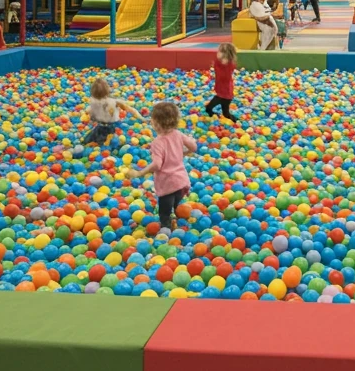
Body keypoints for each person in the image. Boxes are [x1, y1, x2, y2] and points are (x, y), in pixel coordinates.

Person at [127, 101, 195, 231]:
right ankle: (181, 226)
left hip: (167, 184)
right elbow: (193, 146)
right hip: (181, 180)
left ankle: (167, 230)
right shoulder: (178, 134)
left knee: (164, 213)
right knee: (177, 206)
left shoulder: (158, 143)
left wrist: (140, 173)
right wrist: (183, 153)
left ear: (157, 124)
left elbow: (157, 165)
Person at [80, 77, 138, 147]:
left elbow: (89, 113)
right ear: (107, 90)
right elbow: (131, 110)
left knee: (88, 142)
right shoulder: (115, 102)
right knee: (111, 144)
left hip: (100, 128)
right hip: (111, 128)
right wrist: (142, 118)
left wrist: (89, 117)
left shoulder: (94, 102)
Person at [204, 43, 238, 125]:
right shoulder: (219, 63)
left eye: (219, 51)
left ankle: (236, 121)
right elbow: (217, 69)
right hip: (221, 92)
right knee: (225, 113)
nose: (217, 53)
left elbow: (224, 77)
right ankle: (217, 118)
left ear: (225, 55)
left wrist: (222, 64)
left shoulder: (229, 65)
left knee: (210, 108)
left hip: (225, 95)